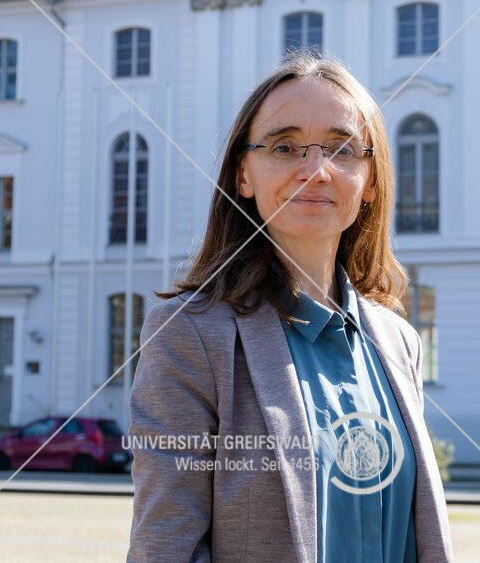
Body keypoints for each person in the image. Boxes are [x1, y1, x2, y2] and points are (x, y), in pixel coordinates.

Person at [126, 51, 454, 562]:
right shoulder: (187, 335)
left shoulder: (398, 340)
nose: (316, 170)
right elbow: (166, 549)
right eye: (285, 147)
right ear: (244, 175)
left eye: (343, 149)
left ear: (369, 181)